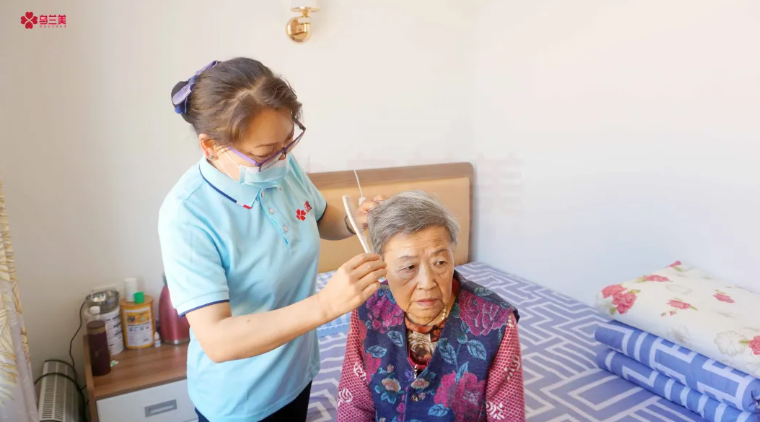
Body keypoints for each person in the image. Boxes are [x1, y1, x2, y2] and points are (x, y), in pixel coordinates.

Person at [158, 57, 387, 422]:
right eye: (266, 153)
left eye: (287, 144)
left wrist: (352, 221)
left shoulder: (280, 165)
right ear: (210, 146)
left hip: (297, 374)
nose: (282, 159)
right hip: (241, 401)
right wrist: (326, 304)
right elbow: (217, 339)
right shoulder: (187, 216)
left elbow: (317, 217)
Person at [336, 191, 525, 422]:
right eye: (409, 267)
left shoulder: (496, 322)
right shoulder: (368, 308)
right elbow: (354, 405)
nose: (427, 283)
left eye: (440, 262)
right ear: (381, 266)